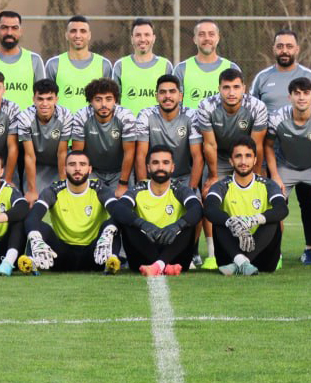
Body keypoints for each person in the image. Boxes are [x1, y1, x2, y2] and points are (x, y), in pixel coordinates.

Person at [195, 68, 268, 269]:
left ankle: (260, 250)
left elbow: (256, 145)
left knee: (261, 197)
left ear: (244, 88)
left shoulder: (257, 107)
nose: (231, 92)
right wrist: (213, 176)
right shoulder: (206, 106)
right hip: (218, 157)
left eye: (236, 87)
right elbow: (210, 144)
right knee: (209, 196)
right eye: (226, 87)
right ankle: (212, 254)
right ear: (219, 89)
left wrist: (257, 174)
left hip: (246, 156)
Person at [263, 77, 311, 267]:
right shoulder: (277, 117)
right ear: (289, 97)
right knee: (275, 202)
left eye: (306, 93)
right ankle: (275, 254)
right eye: (297, 93)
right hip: (285, 165)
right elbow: (268, 146)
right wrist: (275, 176)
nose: (301, 97)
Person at [106, 145, 203, 276]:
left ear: (172, 167)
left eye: (165, 162)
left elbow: (197, 209)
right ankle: (164, 266)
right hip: (143, 257)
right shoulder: (139, 189)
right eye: (155, 162)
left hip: (175, 255)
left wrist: (177, 226)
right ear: (148, 167)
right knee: (126, 219)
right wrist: (143, 224)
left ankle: (158, 265)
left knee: (190, 221)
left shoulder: (179, 189)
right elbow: (119, 209)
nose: (160, 167)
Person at [22, 150, 122, 274]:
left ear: (89, 169)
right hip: (59, 256)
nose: (77, 168)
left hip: (95, 255)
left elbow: (119, 212)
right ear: (64, 169)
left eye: (82, 164)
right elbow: (33, 217)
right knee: (39, 227)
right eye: (72, 164)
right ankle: (30, 261)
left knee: (112, 225)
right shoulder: (54, 190)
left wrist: (112, 226)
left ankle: (111, 260)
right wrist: (34, 235)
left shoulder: (100, 189)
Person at [203, 136, 289, 275]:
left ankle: (240, 263)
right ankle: (241, 261)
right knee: (219, 221)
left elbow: (282, 209)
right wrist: (231, 222)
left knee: (273, 220)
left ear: (255, 160)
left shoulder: (268, 184)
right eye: (238, 156)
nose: (243, 161)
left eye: (248, 156)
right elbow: (209, 209)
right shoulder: (221, 185)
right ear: (231, 161)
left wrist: (253, 220)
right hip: (230, 252)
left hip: (262, 257)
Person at [70, 78, 140, 197]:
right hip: (92, 170)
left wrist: (123, 184)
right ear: (90, 101)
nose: (104, 104)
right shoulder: (81, 116)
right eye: (98, 100)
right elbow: (77, 154)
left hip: (120, 171)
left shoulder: (126, 116)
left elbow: (129, 152)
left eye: (108, 99)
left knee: (122, 204)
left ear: (115, 100)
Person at [134, 75, 203, 191]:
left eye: (172, 91)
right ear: (156, 96)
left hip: (184, 179)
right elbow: (140, 156)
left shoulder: (191, 116)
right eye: (162, 92)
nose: (167, 96)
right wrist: (144, 189)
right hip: (154, 179)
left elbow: (197, 157)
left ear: (180, 96)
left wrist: (192, 190)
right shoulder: (145, 115)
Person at [0, 10, 45, 111]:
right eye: (4, 28)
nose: (9, 32)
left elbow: (43, 98)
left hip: (27, 121)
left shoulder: (34, 60)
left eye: (14, 28)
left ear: (21, 31)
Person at [16, 79, 74, 204]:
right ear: (34, 99)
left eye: (49, 99)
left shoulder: (66, 115)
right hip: (37, 164)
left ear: (56, 99)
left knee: (61, 199)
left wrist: (63, 186)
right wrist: (32, 190)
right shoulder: (25, 117)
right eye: (40, 99)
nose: (44, 103)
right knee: (34, 200)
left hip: (58, 163)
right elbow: (29, 156)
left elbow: (62, 153)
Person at [45, 15, 113, 114]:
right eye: (73, 31)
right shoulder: (54, 64)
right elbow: (46, 100)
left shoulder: (104, 65)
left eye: (83, 31)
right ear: (66, 35)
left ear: (89, 35)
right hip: (63, 123)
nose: (78, 35)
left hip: (93, 123)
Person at [113, 17, 173, 116]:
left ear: (153, 38)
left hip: (157, 125)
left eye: (147, 35)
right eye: (138, 35)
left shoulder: (165, 66)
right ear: (132, 39)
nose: (142, 39)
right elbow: (114, 102)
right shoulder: (121, 66)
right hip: (128, 125)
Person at [174, 19, 240, 108]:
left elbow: (238, 105)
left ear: (218, 38)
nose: (207, 38)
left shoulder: (231, 68)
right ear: (194, 39)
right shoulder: (182, 69)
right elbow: (174, 107)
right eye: (201, 34)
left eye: (211, 34)